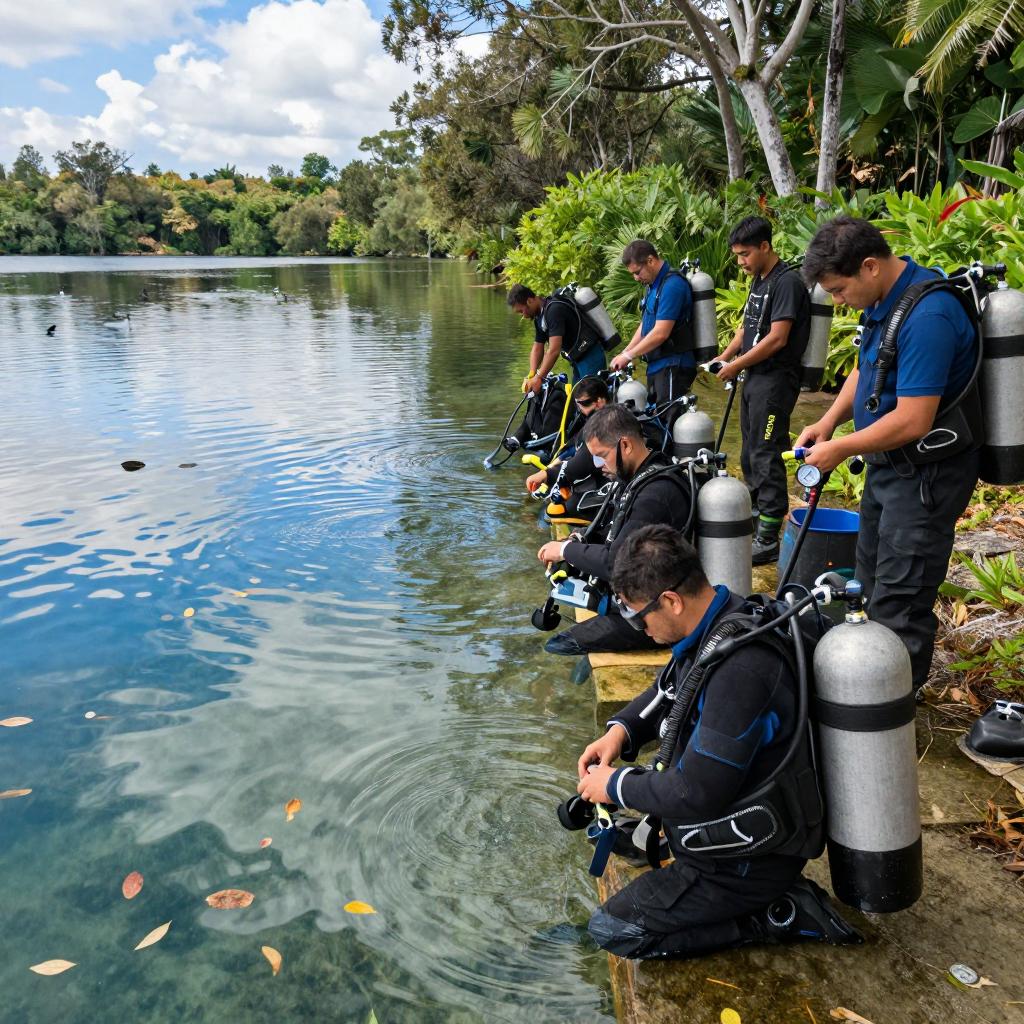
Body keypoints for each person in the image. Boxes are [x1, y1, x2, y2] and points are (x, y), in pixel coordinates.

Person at [576, 524, 861, 959]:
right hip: (723, 826)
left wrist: (615, 785)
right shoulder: (720, 621)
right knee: (620, 839)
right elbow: (669, 689)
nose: (637, 628)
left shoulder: (742, 670)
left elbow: (697, 791)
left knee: (614, 930)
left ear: (670, 601)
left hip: (747, 861)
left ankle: (776, 915)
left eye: (638, 616)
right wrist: (621, 730)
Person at [795, 215, 979, 692]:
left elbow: (914, 419)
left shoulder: (929, 316)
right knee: (871, 585)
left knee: (902, 600)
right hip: (889, 471)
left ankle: (892, 715)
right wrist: (829, 420)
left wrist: (840, 449)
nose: (837, 302)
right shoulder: (887, 302)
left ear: (870, 266)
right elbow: (866, 368)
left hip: (925, 480)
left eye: (837, 290)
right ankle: (868, 696)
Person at [536, 405, 693, 655]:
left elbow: (616, 563)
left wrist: (566, 550)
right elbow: (609, 531)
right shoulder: (634, 479)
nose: (597, 465)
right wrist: (575, 542)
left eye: (601, 455)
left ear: (626, 445)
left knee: (560, 644)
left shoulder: (656, 494)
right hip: (637, 594)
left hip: (659, 614)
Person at [714, 217, 811, 564]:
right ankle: (757, 520)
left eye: (745, 254)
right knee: (749, 452)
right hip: (754, 379)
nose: (740, 261)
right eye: (737, 255)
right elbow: (747, 329)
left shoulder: (787, 284)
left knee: (767, 452)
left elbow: (777, 338)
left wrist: (736, 365)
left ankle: (769, 537)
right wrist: (725, 356)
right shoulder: (759, 281)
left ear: (765, 247)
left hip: (776, 380)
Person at [609, 240, 695, 430]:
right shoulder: (653, 287)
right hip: (658, 365)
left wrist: (629, 356)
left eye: (637, 272)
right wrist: (626, 352)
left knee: (668, 423)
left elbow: (660, 333)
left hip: (673, 365)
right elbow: (646, 326)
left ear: (650, 260)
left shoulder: (672, 285)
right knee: (656, 420)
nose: (635, 278)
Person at [525, 376, 608, 518]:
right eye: (578, 404)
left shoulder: (604, 425)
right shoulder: (594, 420)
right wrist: (552, 468)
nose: (581, 409)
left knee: (555, 510)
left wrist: (548, 474)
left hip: (608, 483)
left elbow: (583, 459)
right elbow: (575, 445)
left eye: (585, 403)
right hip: (593, 475)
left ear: (600, 402)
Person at [508, 284, 607, 392]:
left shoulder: (553, 310)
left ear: (529, 301)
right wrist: (532, 373)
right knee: (577, 401)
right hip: (577, 360)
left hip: (590, 356)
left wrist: (539, 377)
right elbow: (537, 346)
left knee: (593, 400)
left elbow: (554, 350)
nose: (523, 315)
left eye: (521, 311)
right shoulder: (540, 316)